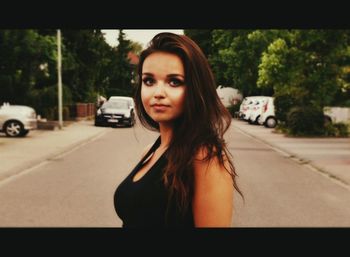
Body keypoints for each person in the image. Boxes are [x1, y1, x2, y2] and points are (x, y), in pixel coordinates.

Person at [114, 32, 243, 228]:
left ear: (196, 88)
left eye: (174, 81)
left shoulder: (205, 156)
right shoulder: (150, 151)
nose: (158, 93)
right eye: (149, 81)